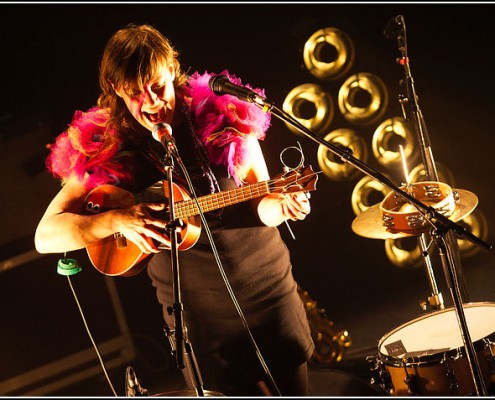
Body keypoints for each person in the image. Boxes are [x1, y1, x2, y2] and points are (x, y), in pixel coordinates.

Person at [35, 23, 314, 396]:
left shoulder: (223, 115)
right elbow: (45, 236)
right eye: (135, 93)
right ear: (117, 89)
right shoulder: (109, 145)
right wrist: (117, 218)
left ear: (173, 71)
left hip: (266, 292)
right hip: (197, 316)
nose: (151, 102)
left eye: (158, 87)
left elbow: (259, 205)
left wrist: (284, 206)